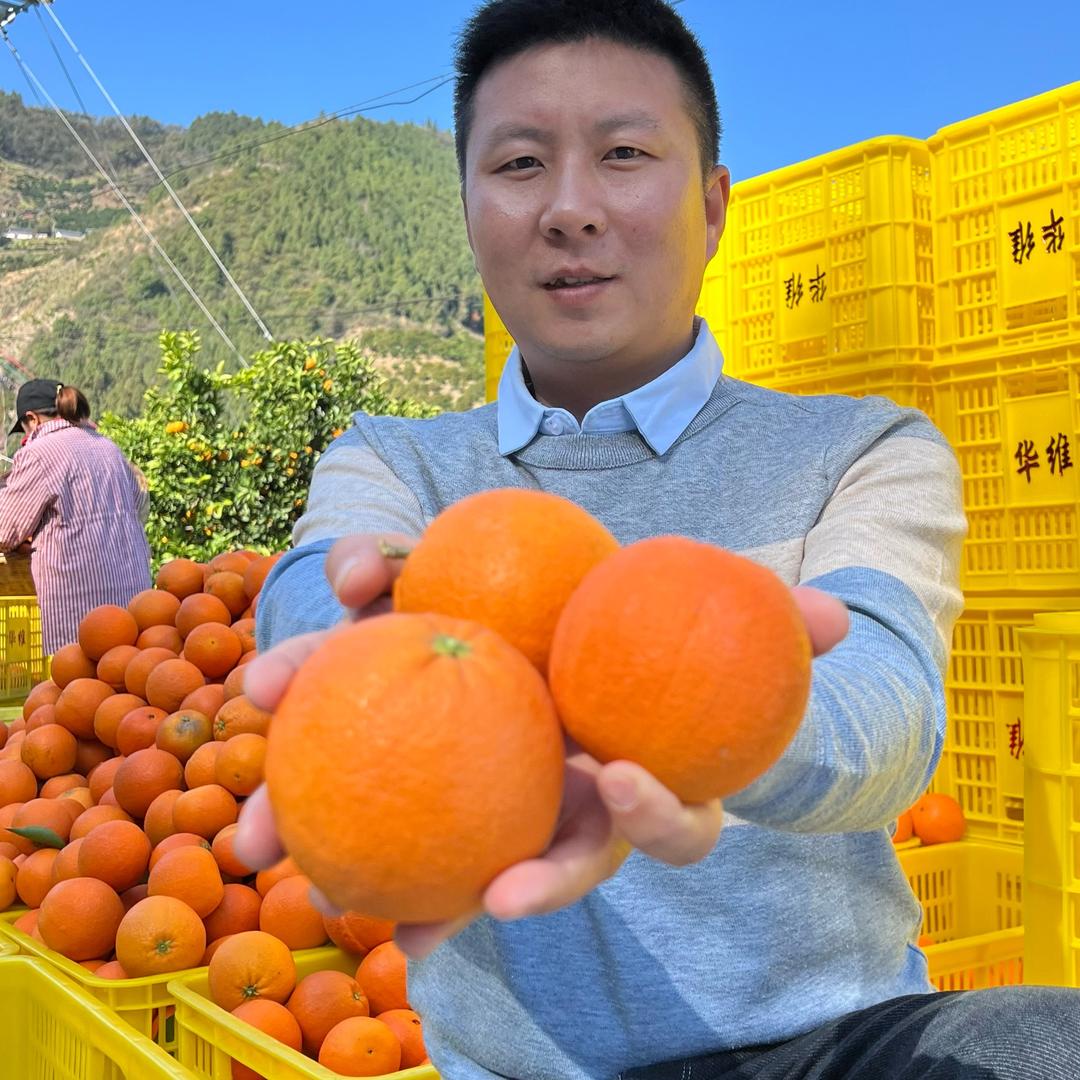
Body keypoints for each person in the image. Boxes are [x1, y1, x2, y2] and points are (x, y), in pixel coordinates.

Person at [237, 2, 1080, 1077]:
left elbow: (887, 715)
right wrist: (374, 665)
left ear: (714, 203)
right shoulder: (396, 461)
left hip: (837, 1043)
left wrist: (685, 718)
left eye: (625, 153)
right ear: (467, 205)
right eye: (521, 163)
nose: (571, 208)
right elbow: (310, 594)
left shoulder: (861, 447)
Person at [0, 378, 151, 654]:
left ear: (31, 419)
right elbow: (141, 506)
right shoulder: (108, 447)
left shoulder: (38, 453)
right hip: (132, 600)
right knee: (121, 683)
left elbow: (5, 532)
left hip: (77, 607)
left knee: (74, 685)